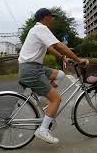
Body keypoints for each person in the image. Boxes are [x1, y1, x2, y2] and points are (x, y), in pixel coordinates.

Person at [18, 8, 89, 144]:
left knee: (60, 74)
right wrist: (78, 60)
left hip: (33, 68)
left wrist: (63, 58)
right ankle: (43, 130)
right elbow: (59, 45)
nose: (53, 19)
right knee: (56, 99)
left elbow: (51, 48)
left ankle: (41, 97)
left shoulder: (37, 30)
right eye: (52, 16)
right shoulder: (41, 29)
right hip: (32, 70)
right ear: (45, 17)